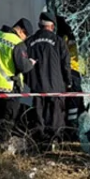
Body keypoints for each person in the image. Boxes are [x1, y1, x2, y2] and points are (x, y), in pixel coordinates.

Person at [0, 18, 36, 150]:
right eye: (25, 36)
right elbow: (23, 66)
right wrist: (31, 63)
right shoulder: (16, 43)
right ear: (21, 31)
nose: (24, 39)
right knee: (7, 119)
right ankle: (2, 149)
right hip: (9, 88)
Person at [25, 12, 72, 141]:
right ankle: (55, 140)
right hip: (56, 85)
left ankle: (40, 140)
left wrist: (29, 82)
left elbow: (24, 64)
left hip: (37, 86)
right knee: (56, 114)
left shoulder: (29, 41)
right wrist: (68, 81)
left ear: (39, 25)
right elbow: (65, 64)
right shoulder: (58, 42)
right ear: (52, 26)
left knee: (39, 113)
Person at [57, 15, 85, 127]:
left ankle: (77, 119)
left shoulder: (64, 37)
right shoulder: (66, 38)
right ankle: (72, 124)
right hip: (72, 70)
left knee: (76, 97)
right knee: (74, 98)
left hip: (73, 70)